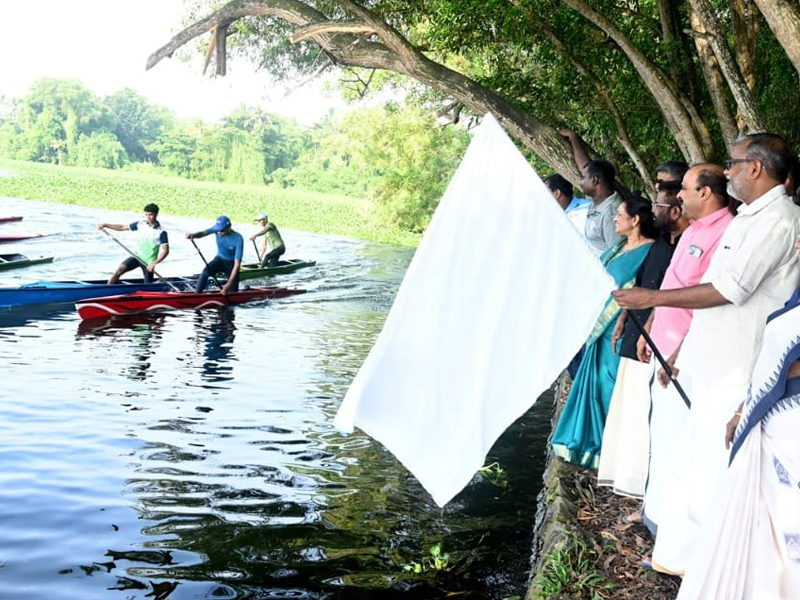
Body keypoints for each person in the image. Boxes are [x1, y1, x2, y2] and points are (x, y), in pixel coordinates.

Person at [613, 133, 800, 575]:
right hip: (710, 358)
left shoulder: (779, 220)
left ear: (755, 168)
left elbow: (727, 291)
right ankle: (681, 561)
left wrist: (651, 300)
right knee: (692, 467)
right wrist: (679, 348)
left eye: (733, 163)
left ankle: (712, 569)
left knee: (715, 474)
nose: (728, 171)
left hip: (737, 366)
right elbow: (713, 290)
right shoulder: (747, 218)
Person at [675, 245, 800, 600]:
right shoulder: (796, 297)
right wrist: (746, 406)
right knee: (763, 526)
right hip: (772, 420)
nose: (797, 247)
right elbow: (772, 360)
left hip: (790, 427)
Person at [638, 164, 733, 533]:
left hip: (685, 360)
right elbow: (672, 285)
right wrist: (650, 324)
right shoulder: (693, 230)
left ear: (706, 193)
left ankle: (672, 529)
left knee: (679, 445)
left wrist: (678, 355)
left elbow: (714, 301)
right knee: (661, 439)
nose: (678, 196)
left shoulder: (726, 233)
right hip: (663, 345)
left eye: (686, 189)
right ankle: (655, 513)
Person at [597, 179, 689, 498]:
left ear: (676, 210)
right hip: (642, 329)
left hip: (663, 339)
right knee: (629, 405)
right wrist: (626, 317)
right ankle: (625, 475)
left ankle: (639, 481)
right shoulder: (665, 242)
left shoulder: (685, 242)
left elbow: (666, 294)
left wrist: (649, 329)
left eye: (660, 206)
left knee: (643, 410)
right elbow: (646, 286)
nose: (654, 211)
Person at [551, 196, 658, 467]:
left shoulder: (650, 251)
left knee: (610, 384)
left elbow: (639, 290)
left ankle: (610, 449)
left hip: (620, 327)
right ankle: (589, 445)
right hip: (599, 326)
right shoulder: (618, 247)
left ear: (635, 220)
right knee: (594, 384)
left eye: (619, 215)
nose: (614, 219)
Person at [558, 128, 623, 255]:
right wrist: (573, 137)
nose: (581, 182)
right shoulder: (597, 199)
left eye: (584, 178)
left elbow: (616, 254)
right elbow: (584, 165)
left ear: (595, 180)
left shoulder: (611, 212)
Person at [98, 203, 169, 283]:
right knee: (119, 270)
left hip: (148, 262)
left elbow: (165, 251)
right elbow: (123, 227)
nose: (148, 217)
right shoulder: (141, 224)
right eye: (146, 215)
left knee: (148, 284)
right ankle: (108, 289)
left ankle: (155, 285)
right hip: (137, 257)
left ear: (156, 214)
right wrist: (106, 225)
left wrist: (154, 263)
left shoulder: (161, 232)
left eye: (150, 215)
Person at [186, 216, 244, 295]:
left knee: (233, 292)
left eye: (222, 230)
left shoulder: (238, 238)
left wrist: (228, 284)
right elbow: (202, 233)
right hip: (219, 259)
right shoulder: (217, 229)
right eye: (218, 230)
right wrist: (193, 235)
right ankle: (196, 295)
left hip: (231, 264)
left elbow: (237, 264)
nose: (219, 233)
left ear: (229, 227)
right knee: (205, 272)